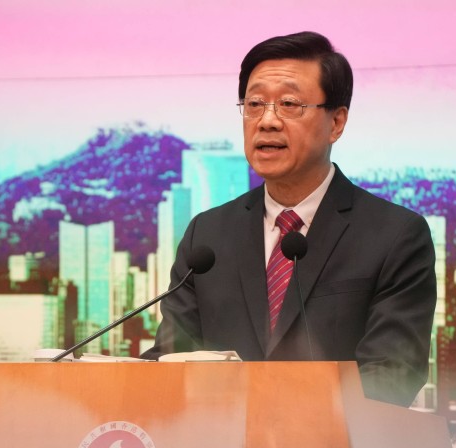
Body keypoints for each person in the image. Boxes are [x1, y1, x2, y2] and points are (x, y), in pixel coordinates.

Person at [144, 31, 436, 407]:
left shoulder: (395, 235)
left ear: (336, 122)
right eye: (254, 104)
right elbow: (173, 359)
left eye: (289, 104)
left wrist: (276, 412)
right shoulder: (209, 235)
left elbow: (393, 374)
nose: (267, 121)